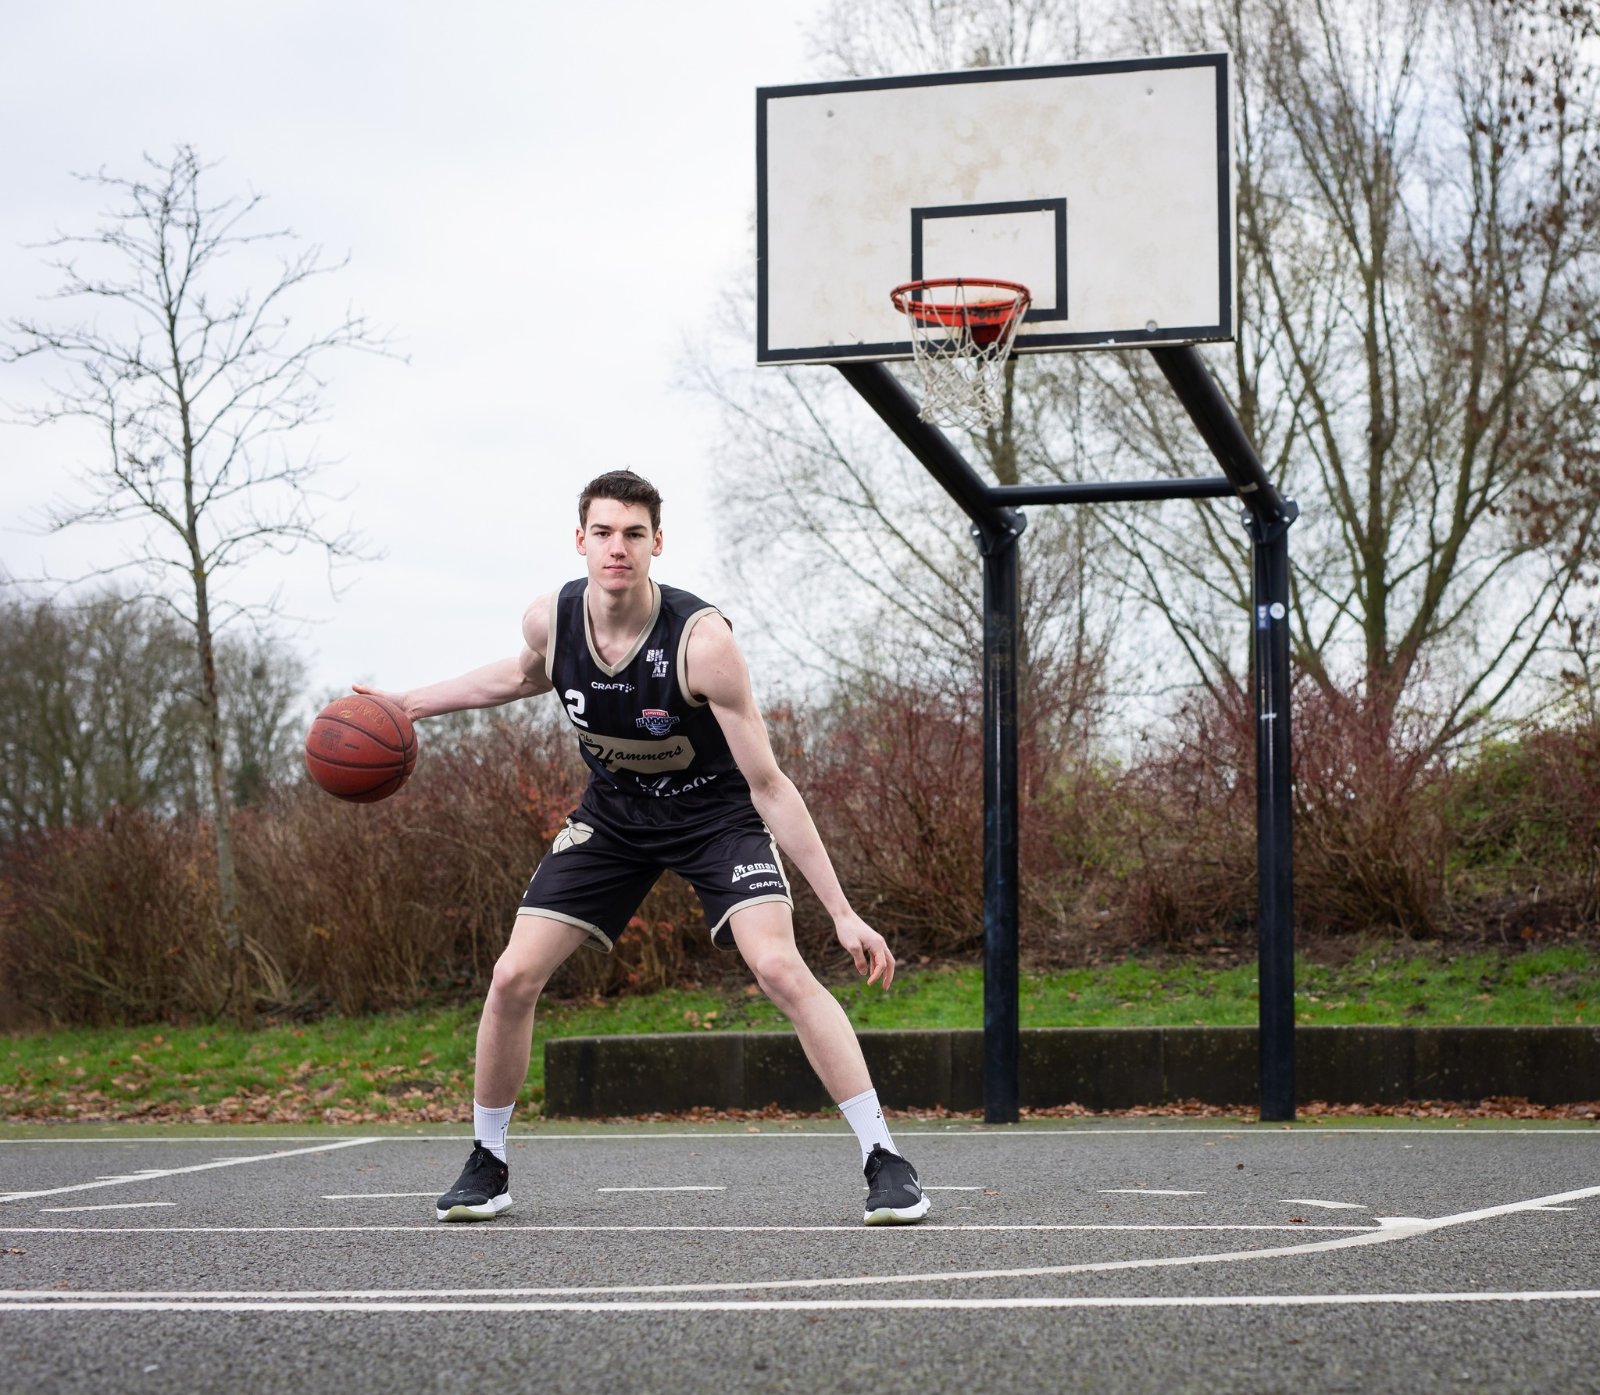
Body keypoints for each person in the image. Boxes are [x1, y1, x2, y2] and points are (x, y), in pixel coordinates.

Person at [356, 469, 929, 1226]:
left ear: (658, 543)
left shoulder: (703, 644)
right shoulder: (551, 620)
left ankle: (885, 1159)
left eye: (633, 534)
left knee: (778, 967)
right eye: (603, 532)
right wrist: (408, 703)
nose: (617, 548)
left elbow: (769, 784)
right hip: (616, 817)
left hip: (714, 816)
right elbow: (520, 677)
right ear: (580, 540)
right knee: (512, 975)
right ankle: (487, 1161)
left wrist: (844, 912)